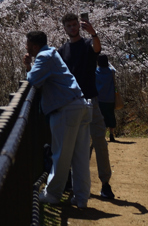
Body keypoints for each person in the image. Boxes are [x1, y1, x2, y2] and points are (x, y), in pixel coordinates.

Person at [24, 30, 92, 209]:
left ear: (35, 46)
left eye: (28, 45)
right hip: (80, 104)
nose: (26, 47)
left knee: (61, 155)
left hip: (65, 109)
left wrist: (28, 66)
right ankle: (81, 197)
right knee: (80, 156)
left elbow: (33, 80)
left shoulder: (44, 56)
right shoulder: (52, 53)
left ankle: (53, 194)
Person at [58, 12, 114, 199]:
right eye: (69, 26)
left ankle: (105, 183)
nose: (73, 28)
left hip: (91, 100)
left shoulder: (88, 44)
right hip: (72, 103)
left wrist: (94, 33)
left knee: (99, 142)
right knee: (74, 145)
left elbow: (97, 49)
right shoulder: (62, 50)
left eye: (75, 25)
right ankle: (75, 184)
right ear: (64, 28)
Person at [95, 54, 117, 142]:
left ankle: (102, 135)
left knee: (101, 117)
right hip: (110, 98)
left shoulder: (95, 71)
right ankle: (111, 134)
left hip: (99, 98)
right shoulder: (111, 71)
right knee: (111, 115)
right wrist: (109, 63)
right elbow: (114, 68)